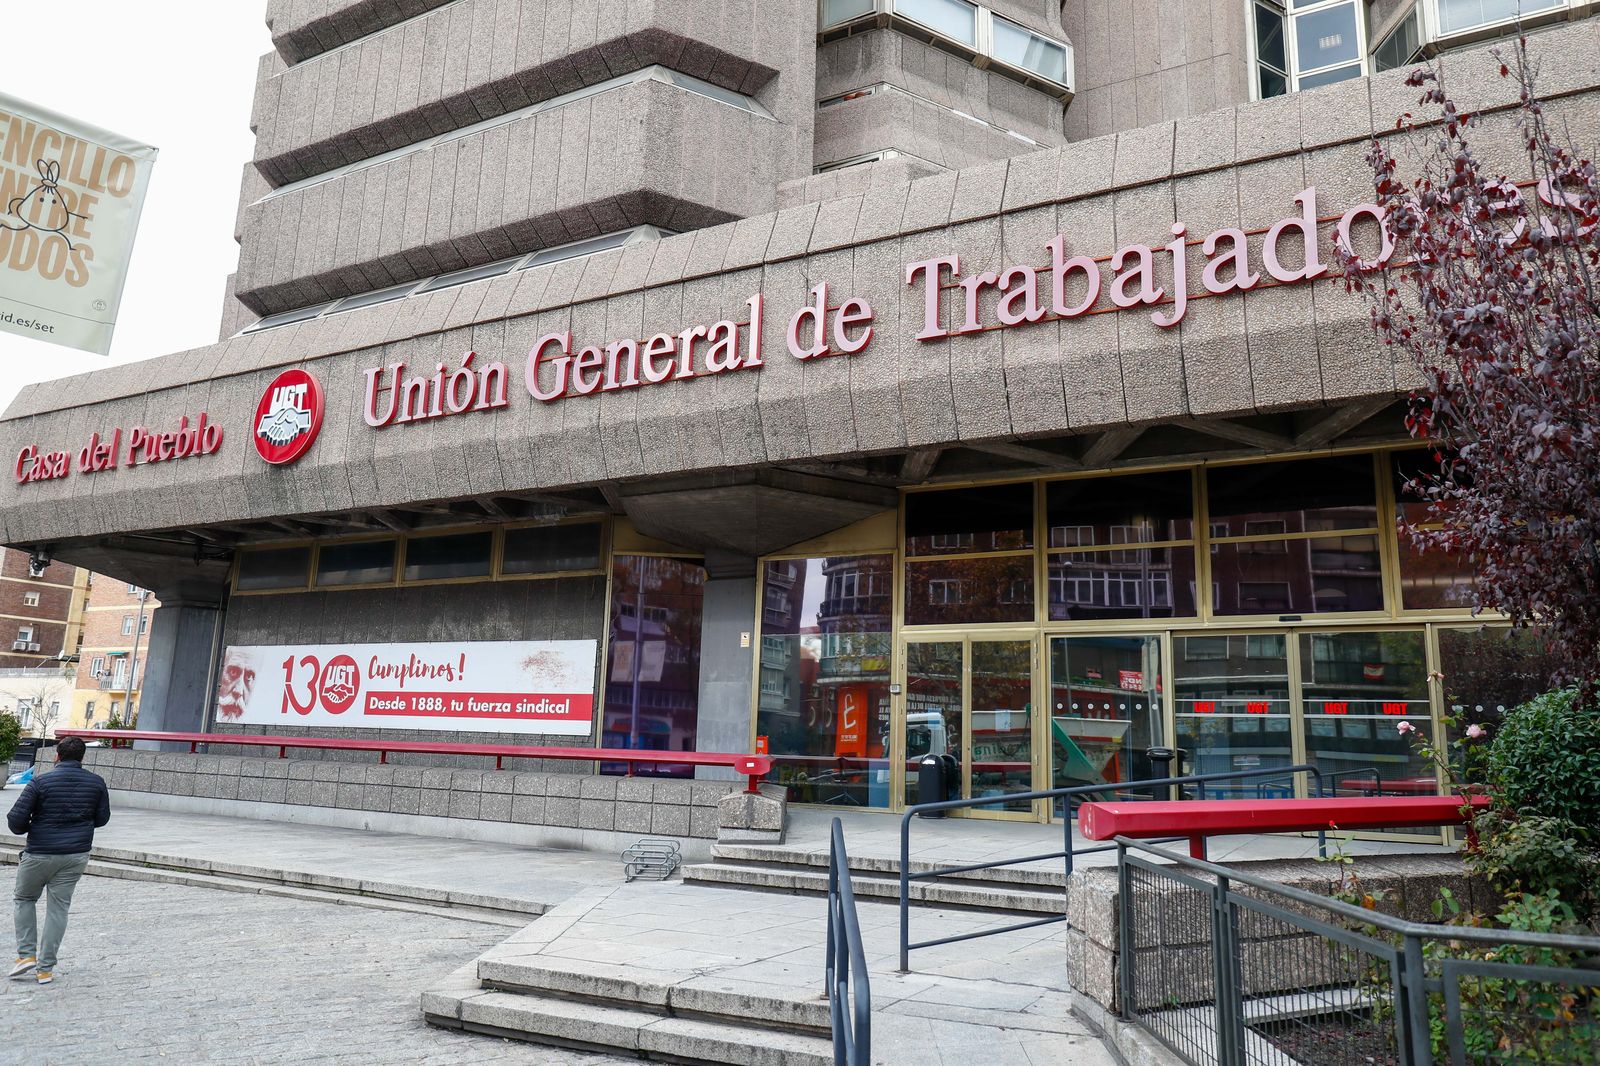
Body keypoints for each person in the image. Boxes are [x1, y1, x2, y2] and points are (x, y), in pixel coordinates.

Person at [7, 736, 110, 985]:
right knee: (58, 908)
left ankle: (26, 955)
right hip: (75, 855)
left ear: (57, 755)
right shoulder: (96, 783)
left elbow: (16, 822)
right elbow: (102, 818)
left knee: (24, 899)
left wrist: (36, 825)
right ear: (82, 757)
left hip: (39, 852)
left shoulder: (40, 782)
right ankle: (45, 969)